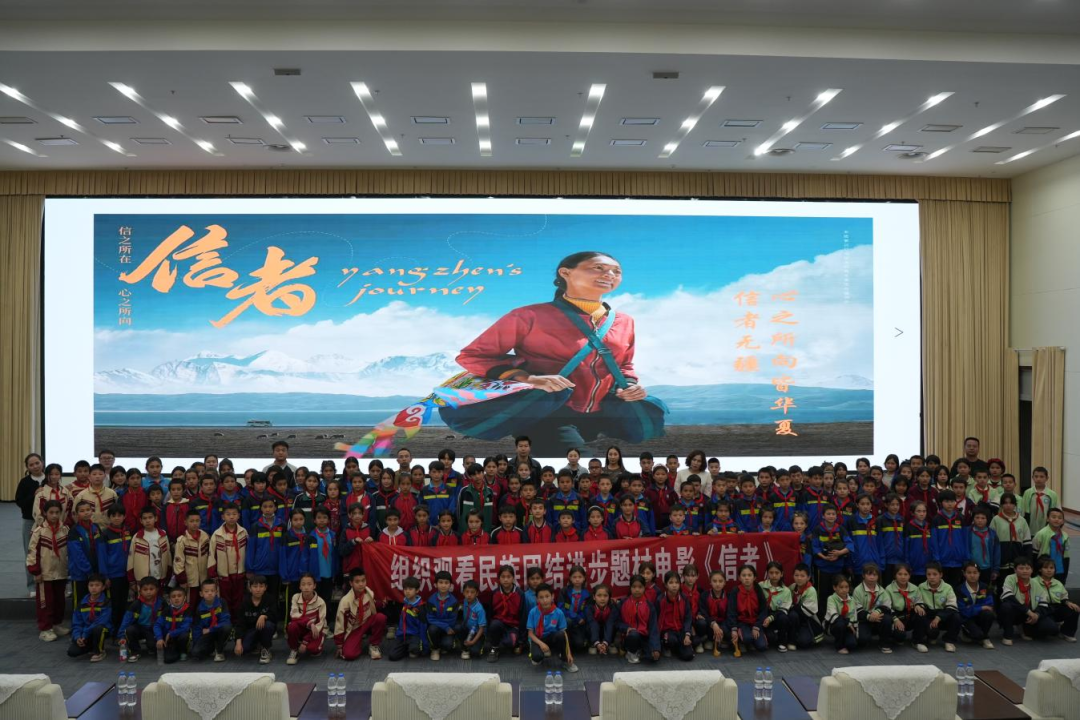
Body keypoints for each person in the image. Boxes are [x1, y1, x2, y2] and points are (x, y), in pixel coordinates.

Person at [454, 252, 660, 455]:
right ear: (565, 273)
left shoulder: (624, 321)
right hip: (545, 412)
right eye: (599, 268)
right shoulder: (528, 315)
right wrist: (527, 378)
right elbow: (473, 356)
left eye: (617, 271)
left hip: (602, 413)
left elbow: (624, 364)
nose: (610, 275)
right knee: (579, 468)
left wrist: (630, 385)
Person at [27, 500, 69, 642]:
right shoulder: (39, 531)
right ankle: (45, 629)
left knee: (59, 600)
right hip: (45, 574)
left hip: (61, 572)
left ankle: (56, 624)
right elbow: (32, 553)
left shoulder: (65, 530)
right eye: (51, 512)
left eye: (57, 512)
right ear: (45, 513)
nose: (54, 515)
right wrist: (36, 571)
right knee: (46, 602)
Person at [998, 556, 1056, 643]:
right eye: (1021, 568)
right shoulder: (1010, 578)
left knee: (1052, 629)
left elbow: (1043, 603)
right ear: (1015, 570)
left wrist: (1037, 614)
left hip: (1029, 614)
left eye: (1027, 568)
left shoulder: (1036, 583)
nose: (1025, 571)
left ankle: (1026, 629)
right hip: (1016, 611)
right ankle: (1007, 635)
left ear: (1032, 570)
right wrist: (1028, 611)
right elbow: (1008, 597)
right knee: (1006, 606)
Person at [335, 568, 388, 661]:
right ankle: (356, 642)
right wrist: (339, 644)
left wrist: (382, 603)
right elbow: (340, 623)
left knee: (381, 618)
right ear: (351, 583)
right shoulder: (345, 601)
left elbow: (373, 603)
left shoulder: (368, 592)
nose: (361, 584)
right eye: (357, 582)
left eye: (363, 581)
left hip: (367, 622)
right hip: (354, 628)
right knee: (349, 655)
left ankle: (374, 645)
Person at [208, 502, 248, 613]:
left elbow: (248, 552)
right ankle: (226, 619)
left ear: (239, 516)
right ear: (222, 517)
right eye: (228, 514)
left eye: (234, 514)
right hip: (224, 574)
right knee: (225, 599)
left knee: (239, 598)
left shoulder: (243, 532)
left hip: (240, 573)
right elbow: (211, 555)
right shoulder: (217, 534)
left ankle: (237, 620)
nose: (231, 517)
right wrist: (212, 572)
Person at [528, 583, 577, 672]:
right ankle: (541, 652)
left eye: (547, 596)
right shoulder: (533, 612)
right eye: (541, 597)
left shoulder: (558, 612)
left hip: (551, 637)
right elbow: (530, 633)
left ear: (552, 596)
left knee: (561, 634)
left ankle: (565, 660)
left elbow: (564, 634)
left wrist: (569, 653)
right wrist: (541, 644)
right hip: (538, 638)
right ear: (537, 599)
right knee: (536, 658)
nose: (545, 600)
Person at [16, 453, 45, 597]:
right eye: (31, 465)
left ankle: (49, 583)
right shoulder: (24, 482)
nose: (35, 466)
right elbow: (19, 502)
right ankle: (32, 586)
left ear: (42, 462)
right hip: (29, 521)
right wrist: (34, 495)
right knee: (30, 553)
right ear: (27, 467)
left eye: (37, 463)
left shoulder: (49, 479)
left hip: (48, 522)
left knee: (48, 553)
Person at [119, 577, 164, 662]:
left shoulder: (162, 603)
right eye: (145, 589)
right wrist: (121, 636)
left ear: (157, 590)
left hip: (154, 629)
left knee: (153, 647)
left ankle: (150, 645)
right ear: (140, 591)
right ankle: (135, 652)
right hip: (139, 627)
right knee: (130, 630)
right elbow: (126, 620)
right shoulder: (136, 604)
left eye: (151, 589)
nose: (148, 592)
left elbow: (166, 620)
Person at [918, 562, 960, 652]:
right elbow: (918, 601)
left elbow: (952, 605)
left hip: (943, 615)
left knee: (956, 616)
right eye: (929, 574)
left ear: (941, 575)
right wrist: (918, 606)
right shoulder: (921, 587)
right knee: (930, 629)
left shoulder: (948, 588)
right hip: (929, 615)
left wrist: (939, 617)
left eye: (935, 574)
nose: (931, 577)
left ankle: (949, 641)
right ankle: (923, 639)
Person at [234, 575, 277, 663]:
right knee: (244, 650)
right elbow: (240, 623)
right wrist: (238, 642)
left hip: (265, 628)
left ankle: (266, 648)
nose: (258, 589)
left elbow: (275, 615)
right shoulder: (244, 602)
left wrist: (264, 616)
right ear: (250, 588)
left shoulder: (270, 599)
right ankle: (256, 644)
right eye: (255, 586)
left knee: (268, 625)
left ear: (265, 588)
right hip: (251, 630)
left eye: (261, 586)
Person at [286, 573, 328, 664]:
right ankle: (294, 649)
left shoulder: (321, 602)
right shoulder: (295, 597)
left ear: (314, 586)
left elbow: (320, 624)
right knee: (292, 626)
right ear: (300, 586)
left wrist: (305, 641)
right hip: (304, 627)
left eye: (309, 584)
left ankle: (306, 642)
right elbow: (294, 615)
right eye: (303, 584)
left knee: (314, 650)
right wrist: (309, 623)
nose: (306, 587)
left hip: (315, 630)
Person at [727, 565, 769, 655]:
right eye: (744, 575)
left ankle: (753, 641)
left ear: (754, 577)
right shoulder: (735, 591)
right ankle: (743, 641)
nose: (747, 578)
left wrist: (757, 626)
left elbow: (763, 610)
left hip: (755, 622)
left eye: (749, 575)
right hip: (742, 622)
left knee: (762, 647)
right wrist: (734, 629)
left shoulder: (758, 590)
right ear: (739, 577)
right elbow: (731, 611)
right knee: (747, 638)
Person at [618, 574, 660, 663]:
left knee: (652, 658)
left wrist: (655, 648)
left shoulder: (649, 605)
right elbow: (616, 622)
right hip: (630, 636)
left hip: (644, 637)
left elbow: (653, 628)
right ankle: (630, 651)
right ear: (630, 588)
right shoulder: (623, 603)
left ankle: (640, 651)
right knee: (634, 635)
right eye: (634, 587)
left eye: (640, 587)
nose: (637, 590)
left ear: (644, 588)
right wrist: (626, 628)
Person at [69, 574, 110, 662]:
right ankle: (91, 646)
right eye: (91, 585)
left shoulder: (106, 602)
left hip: (100, 630)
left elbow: (101, 621)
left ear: (103, 587)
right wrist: (78, 637)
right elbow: (76, 623)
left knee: (99, 628)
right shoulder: (82, 603)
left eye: (97, 585)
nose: (94, 588)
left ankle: (99, 651)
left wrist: (85, 634)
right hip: (85, 632)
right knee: (72, 652)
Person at [1036, 556, 1079, 642]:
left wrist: (1068, 602)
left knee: (1074, 609)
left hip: (1056, 607)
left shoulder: (1058, 583)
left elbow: (1063, 597)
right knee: (1051, 630)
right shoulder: (1033, 582)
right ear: (1040, 569)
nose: (1049, 570)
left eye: (1051, 568)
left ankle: (1066, 633)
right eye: (1045, 568)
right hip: (1042, 609)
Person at [488, 565, 526, 661]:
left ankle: (510, 639)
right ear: (499, 578)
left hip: (513, 626)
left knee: (510, 643)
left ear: (513, 578)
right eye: (503, 577)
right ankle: (494, 648)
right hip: (499, 623)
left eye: (509, 577)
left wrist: (521, 640)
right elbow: (490, 613)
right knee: (494, 625)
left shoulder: (520, 594)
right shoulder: (495, 593)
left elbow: (523, 616)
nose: (506, 579)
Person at [127, 507, 171, 588]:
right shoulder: (137, 537)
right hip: (142, 579)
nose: (147, 521)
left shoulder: (163, 535)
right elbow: (131, 559)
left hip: (159, 576)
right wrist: (131, 580)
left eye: (150, 517)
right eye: (144, 518)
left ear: (156, 518)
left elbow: (168, 556)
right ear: (141, 521)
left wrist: (168, 574)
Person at [957, 561, 996, 649]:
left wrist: (971, 608)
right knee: (976, 635)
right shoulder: (959, 589)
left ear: (979, 573)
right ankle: (966, 633)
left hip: (980, 616)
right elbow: (963, 611)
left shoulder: (985, 587)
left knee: (989, 614)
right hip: (967, 619)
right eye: (969, 573)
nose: (972, 575)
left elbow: (989, 606)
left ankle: (985, 638)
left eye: (975, 572)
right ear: (964, 574)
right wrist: (981, 607)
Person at [191, 579, 231, 662]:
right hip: (208, 634)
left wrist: (210, 629)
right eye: (206, 591)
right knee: (195, 652)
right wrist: (196, 643)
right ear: (201, 594)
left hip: (219, 630)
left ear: (216, 592)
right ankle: (213, 646)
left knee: (227, 627)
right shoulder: (199, 608)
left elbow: (226, 621)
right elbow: (197, 627)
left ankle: (219, 650)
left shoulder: (222, 603)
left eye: (212, 591)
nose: (209, 593)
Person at [389, 576, 428, 661]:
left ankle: (412, 647)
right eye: (405, 589)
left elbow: (423, 627)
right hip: (402, 635)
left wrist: (425, 645)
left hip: (414, 635)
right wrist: (398, 634)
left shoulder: (420, 608)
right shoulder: (404, 603)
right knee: (392, 656)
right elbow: (401, 622)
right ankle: (407, 648)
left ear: (417, 590)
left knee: (414, 652)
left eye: (410, 589)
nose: (407, 591)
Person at [787, 563, 823, 649]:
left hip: (807, 620)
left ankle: (797, 634)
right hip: (794, 618)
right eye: (796, 575)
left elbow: (806, 612)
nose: (799, 578)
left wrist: (792, 607)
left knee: (804, 642)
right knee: (792, 615)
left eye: (802, 576)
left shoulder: (811, 590)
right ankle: (791, 640)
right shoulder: (792, 587)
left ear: (808, 577)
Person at [426, 570, 461, 660]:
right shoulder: (431, 600)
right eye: (440, 582)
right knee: (432, 629)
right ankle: (435, 649)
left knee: (447, 646)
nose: (443, 585)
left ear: (450, 585)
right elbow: (430, 618)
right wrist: (445, 627)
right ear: (435, 584)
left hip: (449, 628)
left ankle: (443, 644)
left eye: (446, 583)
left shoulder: (454, 601)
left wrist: (446, 627)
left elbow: (452, 620)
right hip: (440, 627)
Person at [155, 586, 193, 664]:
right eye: (173, 596)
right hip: (168, 638)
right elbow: (157, 625)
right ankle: (172, 649)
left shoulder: (188, 610)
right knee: (168, 659)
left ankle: (183, 651)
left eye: (179, 596)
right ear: (170, 599)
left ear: (184, 598)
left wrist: (171, 633)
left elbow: (186, 627)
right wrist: (159, 638)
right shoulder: (166, 610)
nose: (176, 598)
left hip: (178, 636)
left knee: (185, 635)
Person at [823, 575, 860, 654]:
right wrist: (848, 623)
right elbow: (834, 616)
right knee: (840, 624)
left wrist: (855, 631)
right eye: (841, 587)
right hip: (834, 625)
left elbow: (854, 616)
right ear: (834, 588)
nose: (844, 590)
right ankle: (839, 646)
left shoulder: (852, 600)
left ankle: (844, 639)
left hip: (848, 626)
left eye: (846, 587)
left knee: (852, 644)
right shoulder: (831, 598)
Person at [1033, 508, 1070, 582]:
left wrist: (1065, 574)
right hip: (1044, 569)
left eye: (1060, 518)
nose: (1057, 519)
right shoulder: (1041, 534)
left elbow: (1066, 557)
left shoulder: (1065, 536)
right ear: (1047, 519)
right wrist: (1034, 572)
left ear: (1063, 521)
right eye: (1053, 517)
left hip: (1059, 569)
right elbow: (1034, 553)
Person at [1022, 466, 1060, 535]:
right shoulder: (1027, 493)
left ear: (1047, 478)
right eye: (1036, 476)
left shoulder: (1052, 494)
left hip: (1046, 526)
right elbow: (1023, 509)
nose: (1038, 479)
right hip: (1030, 526)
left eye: (1042, 477)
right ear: (1032, 478)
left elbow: (1056, 511)